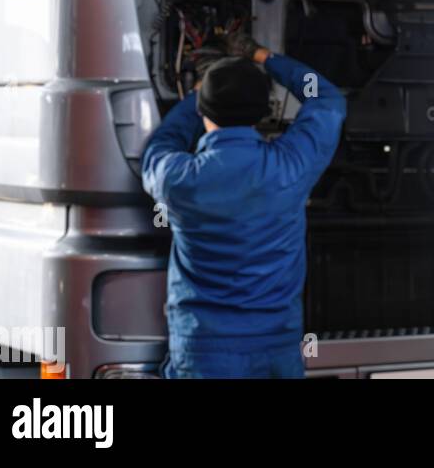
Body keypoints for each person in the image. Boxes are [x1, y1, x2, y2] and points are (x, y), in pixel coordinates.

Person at [142, 34, 346, 378]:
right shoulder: (290, 167)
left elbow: (160, 145)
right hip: (276, 349)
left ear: (203, 110)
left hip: (203, 351)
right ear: (263, 111)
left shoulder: (178, 179)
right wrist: (263, 56)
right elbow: (326, 97)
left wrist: (198, 94)